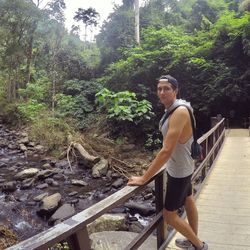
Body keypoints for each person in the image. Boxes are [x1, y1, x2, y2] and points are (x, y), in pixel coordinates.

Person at [127, 75, 208, 250]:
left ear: (175, 90)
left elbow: (166, 150)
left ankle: (199, 246)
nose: (162, 92)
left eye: (167, 88)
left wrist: (144, 178)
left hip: (179, 170)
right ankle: (192, 239)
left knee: (169, 215)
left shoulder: (178, 112)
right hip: (184, 165)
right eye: (159, 89)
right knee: (188, 200)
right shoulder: (177, 107)